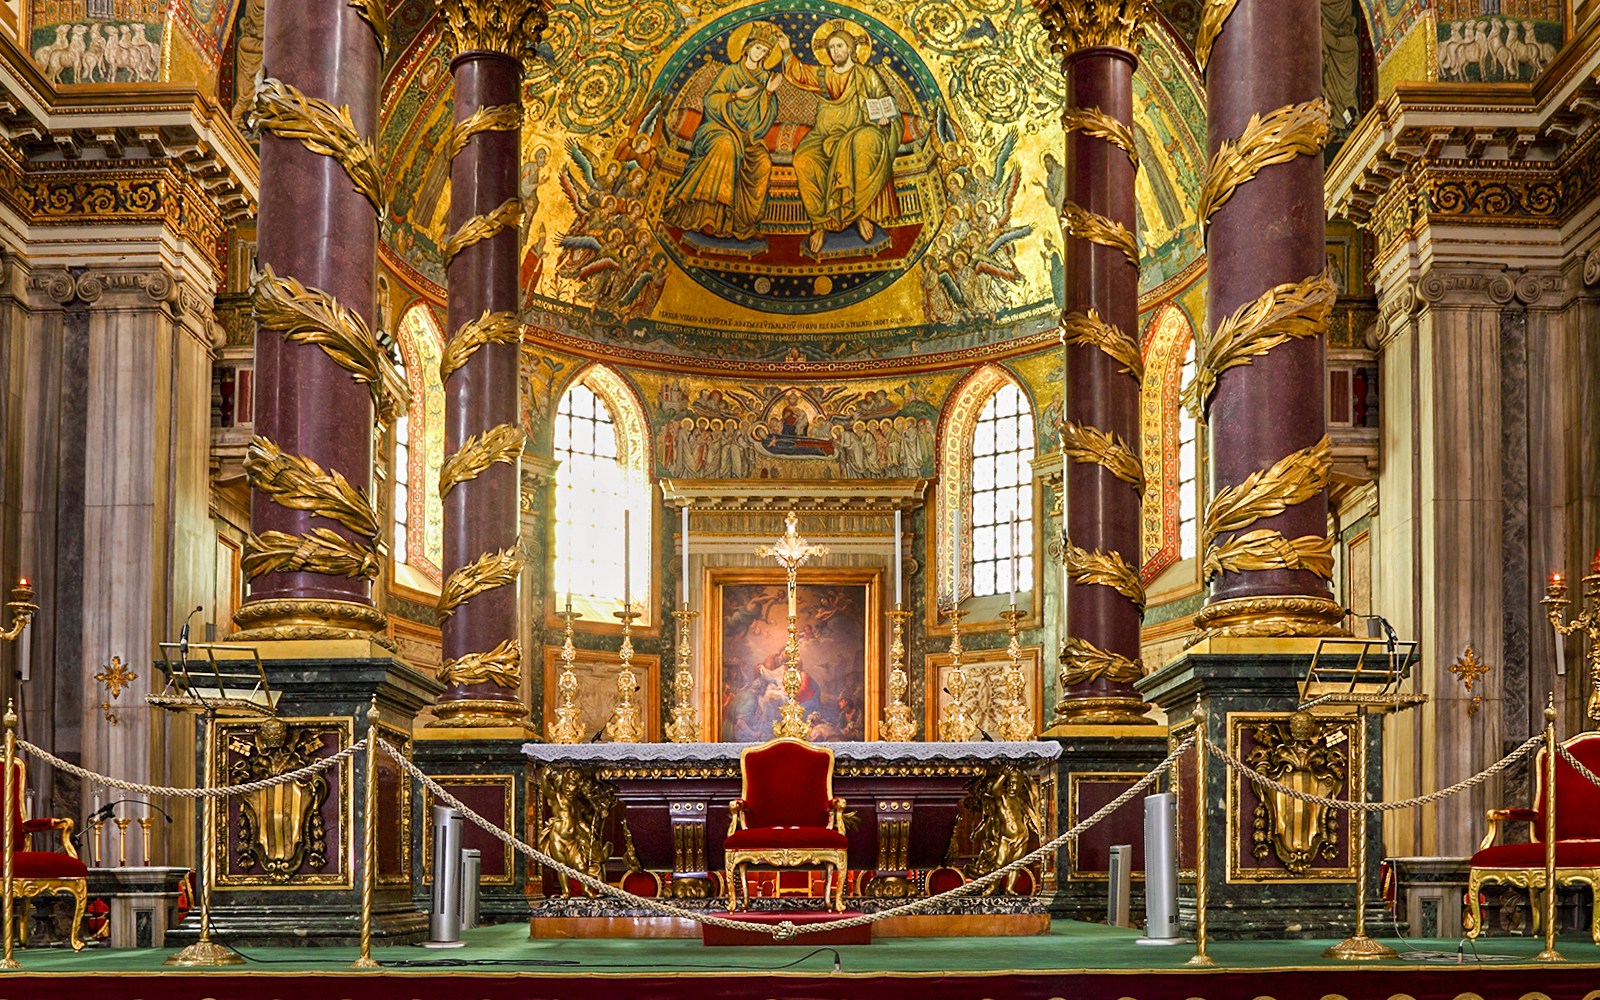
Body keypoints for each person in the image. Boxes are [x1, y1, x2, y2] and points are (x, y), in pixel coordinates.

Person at [779, 22, 898, 257]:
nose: (835, 51)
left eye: (840, 46)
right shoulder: (824, 74)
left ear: (851, 48)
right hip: (825, 133)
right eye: (831, 47)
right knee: (804, 157)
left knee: (861, 143)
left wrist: (884, 118)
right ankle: (820, 224)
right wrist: (785, 51)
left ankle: (860, 214)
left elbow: (884, 99)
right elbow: (799, 73)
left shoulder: (866, 74)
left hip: (861, 128)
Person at [662, 21, 786, 241]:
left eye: (765, 51)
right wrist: (735, 96)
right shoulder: (730, 72)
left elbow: (765, 122)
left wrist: (767, 94)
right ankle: (708, 217)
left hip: (747, 138)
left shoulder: (766, 79)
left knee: (763, 162)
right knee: (725, 146)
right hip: (717, 128)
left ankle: (743, 224)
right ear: (747, 47)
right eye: (758, 48)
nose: (760, 54)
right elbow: (710, 102)